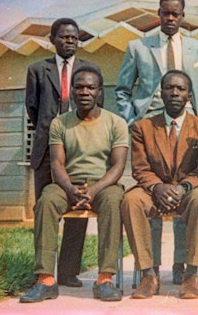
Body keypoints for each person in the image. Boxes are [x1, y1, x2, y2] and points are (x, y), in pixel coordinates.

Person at [115, 0, 198, 283]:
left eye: (175, 14)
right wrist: (132, 118)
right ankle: (151, 268)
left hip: (188, 127)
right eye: (164, 13)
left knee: (186, 190)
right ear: (158, 15)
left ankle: (184, 267)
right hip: (150, 127)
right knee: (152, 194)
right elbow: (122, 89)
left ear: (183, 17)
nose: (170, 19)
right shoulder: (138, 47)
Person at [20, 67, 128, 303]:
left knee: (112, 202)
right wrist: (70, 189)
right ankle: (45, 280)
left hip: (102, 186)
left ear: (100, 92)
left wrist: (94, 190)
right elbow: (57, 163)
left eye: (91, 87)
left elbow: (118, 166)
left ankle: (105, 279)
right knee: (47, 200)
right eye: (78, 87)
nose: (84, 92)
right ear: (71, 92)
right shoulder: (60, 123)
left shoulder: (116, 123)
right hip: (68, 185)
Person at [121, 70, 198, 300]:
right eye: (169, 88)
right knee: (131, 200)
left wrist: (183, 187)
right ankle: (148, 274)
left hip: (189, 191)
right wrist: (157, 188)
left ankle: (190, 274)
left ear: (189, 96)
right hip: (154, 192)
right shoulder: (143, 127)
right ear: (160, 94)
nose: (174, 93)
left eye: (181, 89)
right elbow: (140, 169)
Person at [25, 18, 103, 288]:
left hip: (80, 153)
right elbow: (33, 109)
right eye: (64, 37)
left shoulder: (89, 70)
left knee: (78, 210)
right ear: (52, 40)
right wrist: (55, 134)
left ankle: (69, 272)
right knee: (46, 208)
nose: (69, 41)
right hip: (48, 152)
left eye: (74, 38)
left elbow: (96, 110)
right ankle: (44, 273)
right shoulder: (38, 69)